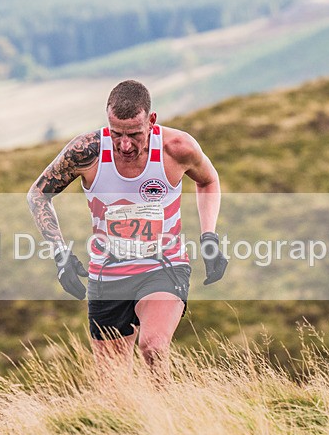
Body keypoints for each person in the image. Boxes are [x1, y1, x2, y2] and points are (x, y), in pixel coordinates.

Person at [27, 80, 227, 383]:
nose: (124, 144)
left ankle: (168, 419)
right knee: (113, 386)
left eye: (134, 134)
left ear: (152, 121)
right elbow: (38, 194)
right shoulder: (87, 152)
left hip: (164, 266)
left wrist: (209, 236)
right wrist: (60, 255)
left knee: (154, 347)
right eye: (116, 133)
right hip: (108, 274)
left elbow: (208, 180)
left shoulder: (177, 148)